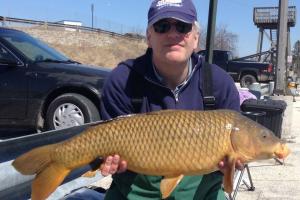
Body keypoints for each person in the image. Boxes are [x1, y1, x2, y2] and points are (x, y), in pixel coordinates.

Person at [99, 0, 242, 199]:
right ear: (149, 36)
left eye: (182, 27)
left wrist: (234, 163)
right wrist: (109, 161)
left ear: (195, 38)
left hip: (202, 194)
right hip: (135, 193)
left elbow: (234, 161)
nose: (173, 34)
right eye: (162, 26)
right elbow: (106, 151)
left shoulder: (219, 82)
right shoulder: (123, 80)